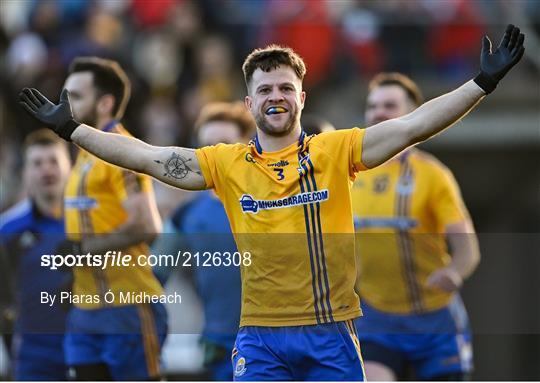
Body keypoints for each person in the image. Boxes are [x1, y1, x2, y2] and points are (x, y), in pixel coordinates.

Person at [18, 25, 524, 381]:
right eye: (265, 90)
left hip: (330, 334)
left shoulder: (335, 150)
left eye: (286, 87)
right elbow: (148, 157)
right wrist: (73, 129)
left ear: (302, 98)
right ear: (249, 103)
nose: (276, 96)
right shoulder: (225, 163)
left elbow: (414, 124)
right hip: (259, 338)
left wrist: (480, 83)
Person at [28, 57, 166, 380]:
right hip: (85, 311)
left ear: (105, 103)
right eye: (63, 95)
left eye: (74, 97)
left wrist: (83, 249)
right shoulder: (83, 156)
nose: (62, 105)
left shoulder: (123, 152)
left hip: (128, 308)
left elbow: (148, 225)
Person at [352, 73, 480, 381]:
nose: (378, 113)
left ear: (414, 113)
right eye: (373, 106)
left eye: (389, 105)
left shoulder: (433, 176)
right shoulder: (348, 173)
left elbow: (467, 249)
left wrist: (455, 272)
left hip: (435, 321)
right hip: (377, 317)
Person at [156, 101, 255, 380]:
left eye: (224, 144)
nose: (214, 154)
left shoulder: (275, 202)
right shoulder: (187, 214)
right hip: (221, 349)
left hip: (277, 344)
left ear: (247, 147)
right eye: (206, 146)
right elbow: (153, 274)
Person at [0, 129, 71, 380]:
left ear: (69, 168)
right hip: (33, 359)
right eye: (37, 163)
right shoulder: (7, 230)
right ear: (25, 173)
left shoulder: (92, 225)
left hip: (87, 352)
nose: (46, 170)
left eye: (53, 161)